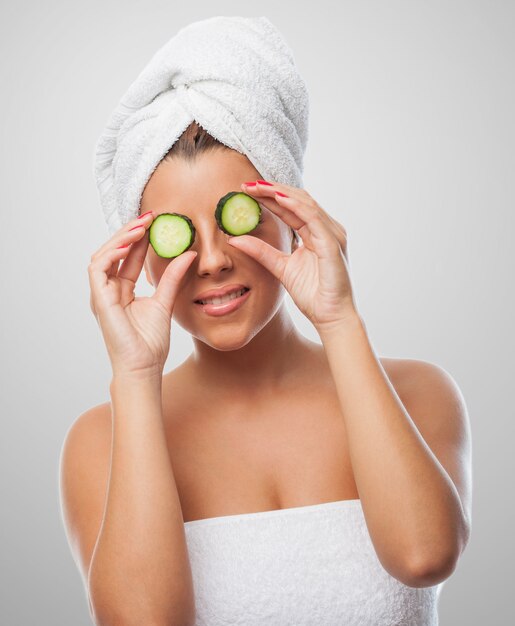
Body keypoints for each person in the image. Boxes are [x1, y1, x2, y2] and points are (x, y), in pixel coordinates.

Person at [59, 18, 472, 626]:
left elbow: (422, 555)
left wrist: (339, 317)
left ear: (289, 211)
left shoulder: (419, 393)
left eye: (238, 214)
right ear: (139, 256)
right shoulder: (101, 441)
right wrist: (135, 376)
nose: (215, 258)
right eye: (175, 236)